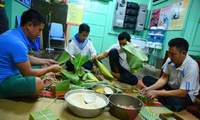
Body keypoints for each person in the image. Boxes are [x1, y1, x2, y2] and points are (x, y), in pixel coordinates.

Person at [0, 9, 61, 99]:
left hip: (14, 73)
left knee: (41, 67)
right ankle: (26, 92)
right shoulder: (17, 42)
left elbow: (24, 57)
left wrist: (46, 61)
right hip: (3, 82)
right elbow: (28, 73)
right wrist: (50, 69)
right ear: (29, 25)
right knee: (38, 83)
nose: (39, 34)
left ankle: (26, 91)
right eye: (39, 30)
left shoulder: (14, 34)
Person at [141, 38, 199, 112]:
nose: (170, 57)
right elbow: (164, 78)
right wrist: (149, 88)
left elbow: (183, 93)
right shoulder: (170, 60)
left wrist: (158, 93)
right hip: (171, 88)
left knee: (176, 104)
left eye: (173, 54)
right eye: (169, 53)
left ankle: (162, 94)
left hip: (185, 94)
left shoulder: (191, 67)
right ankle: (163, 94)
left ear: (183, 53)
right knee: (147, 79)